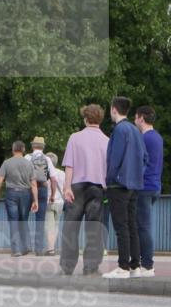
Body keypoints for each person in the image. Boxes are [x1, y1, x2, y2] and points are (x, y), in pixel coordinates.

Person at [59, 104, 109, 276]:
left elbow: (69, 165)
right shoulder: (107, 141)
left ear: (85, 119)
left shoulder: (75, 137)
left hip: (77, 188)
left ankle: (67, 267)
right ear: (100, 119)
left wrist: (66, 187)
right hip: (97, 189)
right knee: (94, 228)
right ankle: (91, 267)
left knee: (70, 227)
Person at [103, 97, 148, 279]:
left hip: (118, 184)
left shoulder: (119, 130)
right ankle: (135, 265)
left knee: (121, 226)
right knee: (132, 225)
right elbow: (145, 158)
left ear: (114, 109)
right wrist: (136, 174)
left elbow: (114, 158)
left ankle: (123, 266)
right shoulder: (135, 130)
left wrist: (111, 177)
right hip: (134, 184)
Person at [0, 141, 38, 256]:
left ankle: (16, 250)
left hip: (11, 194)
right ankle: (26, 246)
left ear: (13, 150)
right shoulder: (29, 164)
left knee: (13, 221)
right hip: (26, 194)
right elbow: (33, 184)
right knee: (23, 220)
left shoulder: (7, 163)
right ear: (23, 150)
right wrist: (35, 200)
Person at [134, 105, 163, 277]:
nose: (134, 121)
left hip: (144, 186)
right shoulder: (157, 137)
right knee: (143, 226)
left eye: (135, 117)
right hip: (155, 185)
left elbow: (140, 163)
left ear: (141, 118)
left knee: (142, 227)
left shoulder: (144, 138)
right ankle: (142, 262)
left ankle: (147, 264)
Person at [25, 137, 57, 255]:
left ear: (33, 146)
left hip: (29, 190)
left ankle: (25, 247)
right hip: (43, 189)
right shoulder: (47, 159)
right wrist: (52, 194)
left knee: (24, 218)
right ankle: (38, 249)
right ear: (43, 147)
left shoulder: (27, 158)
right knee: (40, 220)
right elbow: (53, 179)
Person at [44, 151, 65, 255]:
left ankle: (50, 249)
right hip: (60, 203)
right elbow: (65, 189)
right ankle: (52, 247)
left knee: (49, 226)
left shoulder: (44, 174)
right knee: (55, 225)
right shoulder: (62, 173)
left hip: (48, 201)